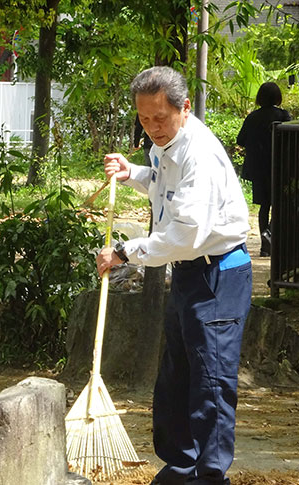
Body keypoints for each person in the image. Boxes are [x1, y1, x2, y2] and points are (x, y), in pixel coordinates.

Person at [97, 66, 253, 485]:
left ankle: (209, 475)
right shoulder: (167, 144)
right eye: (144, 119)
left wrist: (125, 251)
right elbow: (166, 186)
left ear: (184, 108)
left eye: (159, 119)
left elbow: (185, 234)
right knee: (175, 377)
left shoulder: (198, 154)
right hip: (189, 274)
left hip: (218, 275)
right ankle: (181, 466)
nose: (152, 128)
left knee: (210, 382)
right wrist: (135, 173)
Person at [236, 82, 292, 256]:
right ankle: (269, 233)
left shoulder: (252, 117)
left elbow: (240, 140)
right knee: (279, 205)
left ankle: (263, 246)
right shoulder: (283, 116)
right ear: (277, 97)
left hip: (258, 169)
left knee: (263, 206)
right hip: (280, 168)